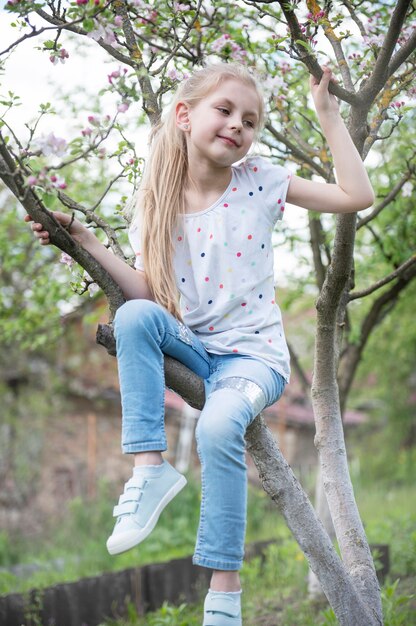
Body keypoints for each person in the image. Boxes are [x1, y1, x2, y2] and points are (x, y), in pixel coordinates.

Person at [26, 62, 374, 626]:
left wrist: (329, 116)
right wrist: (84, 240)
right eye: (226, 110)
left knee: (217, 427)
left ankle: (224, 594)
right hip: (194, 345)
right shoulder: (157, 201)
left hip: (252, 360)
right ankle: (149, 469)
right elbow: (147, 292)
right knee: (135, 314)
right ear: (185, 116)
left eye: (251, 120)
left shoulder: (261, 180)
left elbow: (356, 194)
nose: (239, 125)